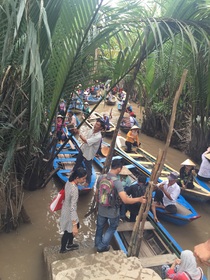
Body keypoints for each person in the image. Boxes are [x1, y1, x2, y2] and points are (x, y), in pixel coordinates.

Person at [95, 159, 147, 253]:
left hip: (101, 208)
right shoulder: (117, 182)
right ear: (119, 169)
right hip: (112, 211)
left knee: (99, 227)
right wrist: (139, 199)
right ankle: (102, 246)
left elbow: (97, 192)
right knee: (112, 228)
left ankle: (97, 244)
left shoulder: (101, 177)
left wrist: (98, 205)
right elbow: (125, 200)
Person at [59, 167, 87, 253]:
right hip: (69, 212)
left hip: (65, 208)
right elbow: (73, 208)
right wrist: (74, 225)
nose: (84, 180)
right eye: (83, 178)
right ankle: (63, 249)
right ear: (77, 178)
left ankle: (70, 243)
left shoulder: (69, 181)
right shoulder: (74, 190)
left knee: (74, 226)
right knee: (68, 231)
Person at [72, 119, 105, 186]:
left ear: (101, 128)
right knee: (78, 160)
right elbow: (86, 138)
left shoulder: (98, 136)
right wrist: (77, 131)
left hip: (89, 153)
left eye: (98, 125)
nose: (95, 125)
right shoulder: (92, 129)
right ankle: (74, 170)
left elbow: (86, 141)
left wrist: (79, 133)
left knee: (88, 167)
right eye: (96, 123)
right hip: (84, 148)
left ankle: (88, 181)